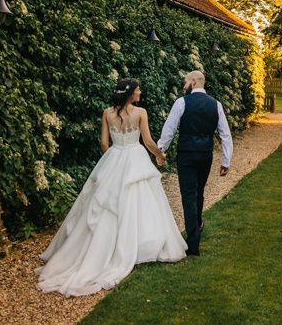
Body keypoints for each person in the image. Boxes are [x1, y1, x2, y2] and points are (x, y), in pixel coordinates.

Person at [35, 78, 187, 297]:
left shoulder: (107, 113)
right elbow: (148, 141)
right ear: (131, 93)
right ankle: (139, 246)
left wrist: (115, 161)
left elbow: (104, 144)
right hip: (136, 157)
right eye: (138, 89)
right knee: (140, 202)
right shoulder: (141, 113)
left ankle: (98, 249)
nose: (140, 92)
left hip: (114, 157)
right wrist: (159, 155)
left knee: (105, 205)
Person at [157, 70, 232, 256]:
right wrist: (226, 160)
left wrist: (161, 150)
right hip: (205, 155)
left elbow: (169, 128)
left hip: (187, 155)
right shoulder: (216, 104)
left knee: (188, 195)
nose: (184, 84)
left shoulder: (182, 102)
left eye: (186, 81)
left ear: (193, 83)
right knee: (199, 191)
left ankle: (193, 243)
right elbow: (225, 134)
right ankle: (197, 225)